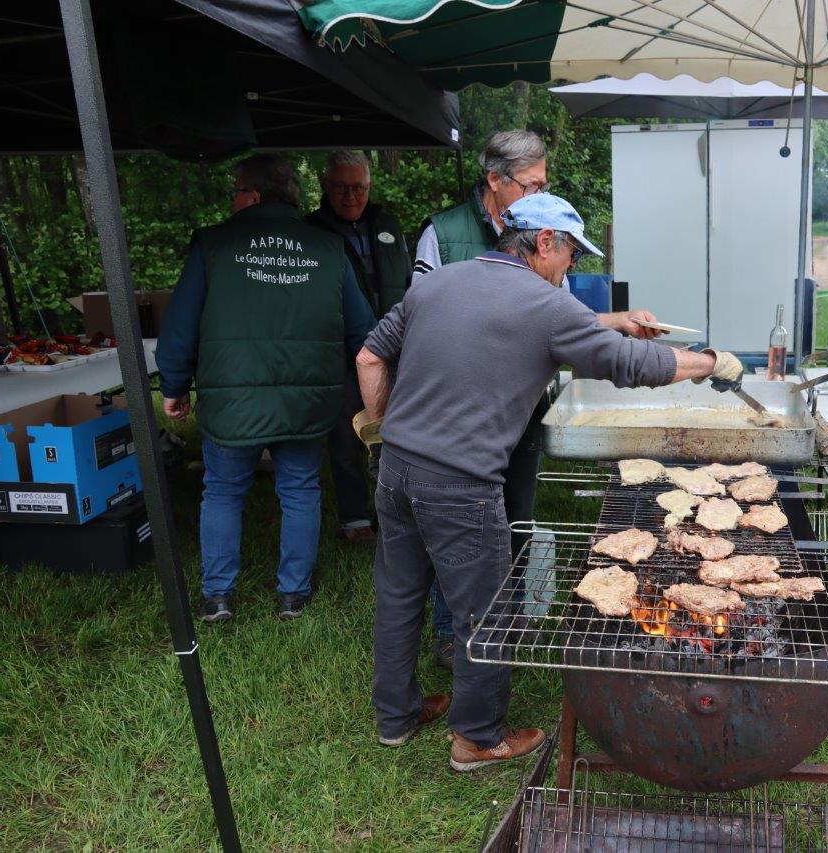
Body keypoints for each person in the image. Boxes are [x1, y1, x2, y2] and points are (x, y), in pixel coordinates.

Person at [356, 192, 742, 766]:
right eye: (570, 256)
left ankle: (396, 716)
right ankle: (478, 738)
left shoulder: (436, 283)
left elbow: (369, 358)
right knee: (483, 611)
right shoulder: (543, 302)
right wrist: (710, 362)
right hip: (461, 484)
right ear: (543, 243)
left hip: (396, 469)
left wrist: (388, 426)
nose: (570, 268)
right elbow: (631, 365)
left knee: (399, 592)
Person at [411, 129, 643, 670]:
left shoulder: (542, 235)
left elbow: (557, 322)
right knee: (459, 531)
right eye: (532, 183)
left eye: (544, 183)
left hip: (522, 409)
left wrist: (617, 323)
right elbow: (415, 322)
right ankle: (454, 632)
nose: (541, 192)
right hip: (462, 418)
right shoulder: (443, 236)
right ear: (496, 180)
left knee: (512, 516)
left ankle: (505, 619)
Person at [158, 153, 375, 623]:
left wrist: (174, 384)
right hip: (307, 396)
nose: (232, 199)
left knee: (222, 490)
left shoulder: (213, 244)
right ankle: (292, 595)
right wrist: (375, 391)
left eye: (235, 191)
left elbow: (180, 324)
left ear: (253, 195)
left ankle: (218, 596)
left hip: (231, 395)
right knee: (300, 488)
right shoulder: (329, 247)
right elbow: (363, 331)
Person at [305, 150, 412, 544]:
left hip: (395, 347)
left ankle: (398, 508)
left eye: (359, 187)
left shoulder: (387, 224)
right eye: (341, 187)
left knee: (398, 431)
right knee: (348, 436)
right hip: (340, 353)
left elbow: (406, 280)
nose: (351, 196)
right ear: (325, 187)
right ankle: (355, 518)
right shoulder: (312, 231)